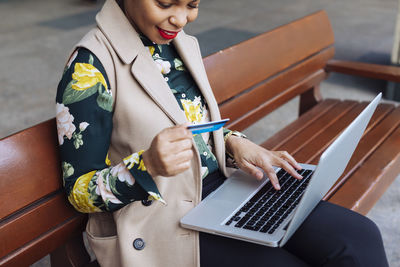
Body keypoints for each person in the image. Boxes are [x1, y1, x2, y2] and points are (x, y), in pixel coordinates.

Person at [55, 0, 389, 266]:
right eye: (165, 3)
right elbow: (79, 192)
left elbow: (190, 122)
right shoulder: (88, 69)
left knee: (359, 237)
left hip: (220, 191)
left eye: (192, 5)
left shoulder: (177, 43)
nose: (180, 19)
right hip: (161, 219)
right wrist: (146, 166)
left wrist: (235, 143)